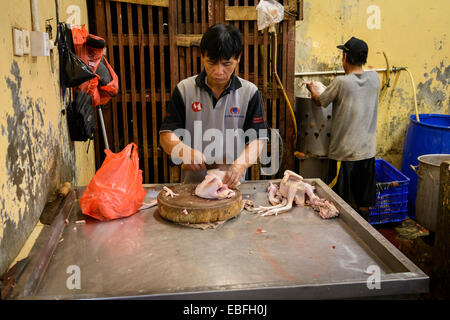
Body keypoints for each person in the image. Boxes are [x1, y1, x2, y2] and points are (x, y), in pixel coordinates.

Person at [159, 23, 268, 188]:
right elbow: (167, 135)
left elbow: (257, 140)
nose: (218, 71)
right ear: (202, 56)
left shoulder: (249, 92)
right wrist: (183, 151)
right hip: (193, 184)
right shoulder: (184, 89)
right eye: (211, 63)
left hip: (232, 183)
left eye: (226, 64)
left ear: (238, 58)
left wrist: (240, 165)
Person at [306, 36, 380, 221]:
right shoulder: (375, 78)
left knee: (337, 202)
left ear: (345, 58)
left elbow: (320, 101)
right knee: (363, 202)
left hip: (343, 155)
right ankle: (366, 235)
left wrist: (312, 88)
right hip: (367, 153)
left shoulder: (341, 82)